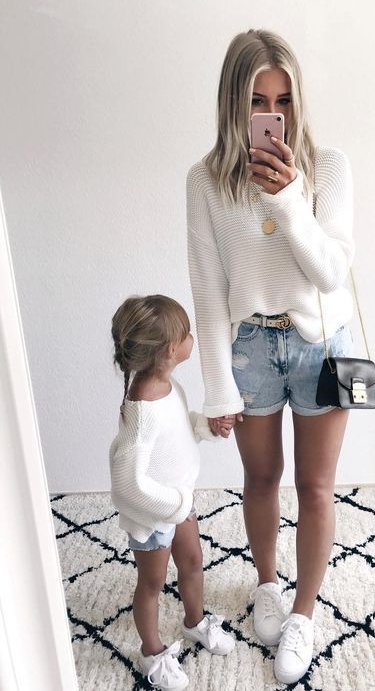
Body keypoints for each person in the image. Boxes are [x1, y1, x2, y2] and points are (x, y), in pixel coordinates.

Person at [186, 29, 355, 684]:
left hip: (320, 343)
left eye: (284, 98)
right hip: (249, 346)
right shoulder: (205, 179)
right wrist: (216, 387)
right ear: (236, 103)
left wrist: (288, 201)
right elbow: (205, 287)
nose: (273, 115)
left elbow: (331, 271)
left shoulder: (329, 165)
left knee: (315, 487)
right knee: (260, 480)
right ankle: (266, 584)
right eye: (259, 99)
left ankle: (304, 613)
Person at [109, 294, 236, 691]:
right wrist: (177, 505)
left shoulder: (168, 385)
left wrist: (204, 426)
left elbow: (178, 429)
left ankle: (195, 621)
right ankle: (151, 650)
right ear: (169, 350)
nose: (191, 338)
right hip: (154, 514)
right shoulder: (141, 409)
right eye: (187, 334)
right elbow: (128, 483)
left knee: (193, 561)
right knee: (152, 583)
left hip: (180, 503)